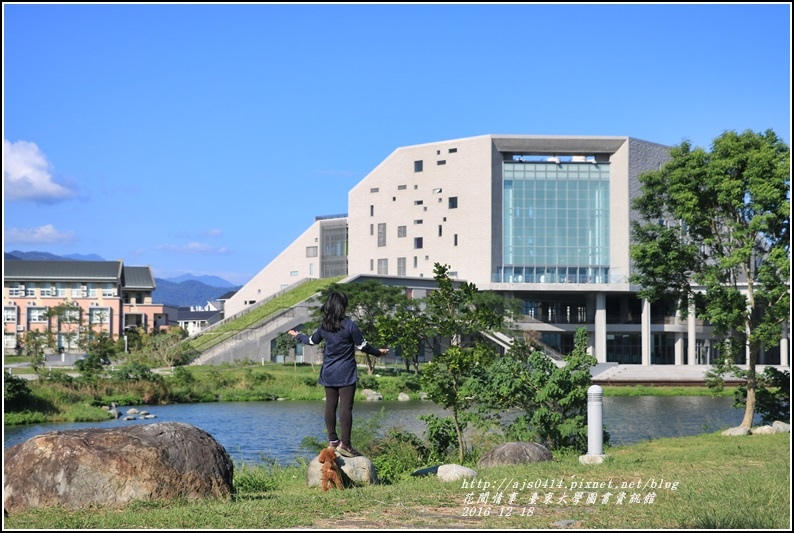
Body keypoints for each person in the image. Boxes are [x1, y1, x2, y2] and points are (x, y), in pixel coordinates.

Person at [288, 291, 388, 458]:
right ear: (343, 307)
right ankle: (346, 445)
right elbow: (363, 346)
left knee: (330, 406)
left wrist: (298, 336)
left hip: (328, 372)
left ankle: (333, 440)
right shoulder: (349, 325)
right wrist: (379, 353)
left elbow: (311, 341)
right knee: (345, 408)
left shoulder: (324, 326)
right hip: (346, 373)